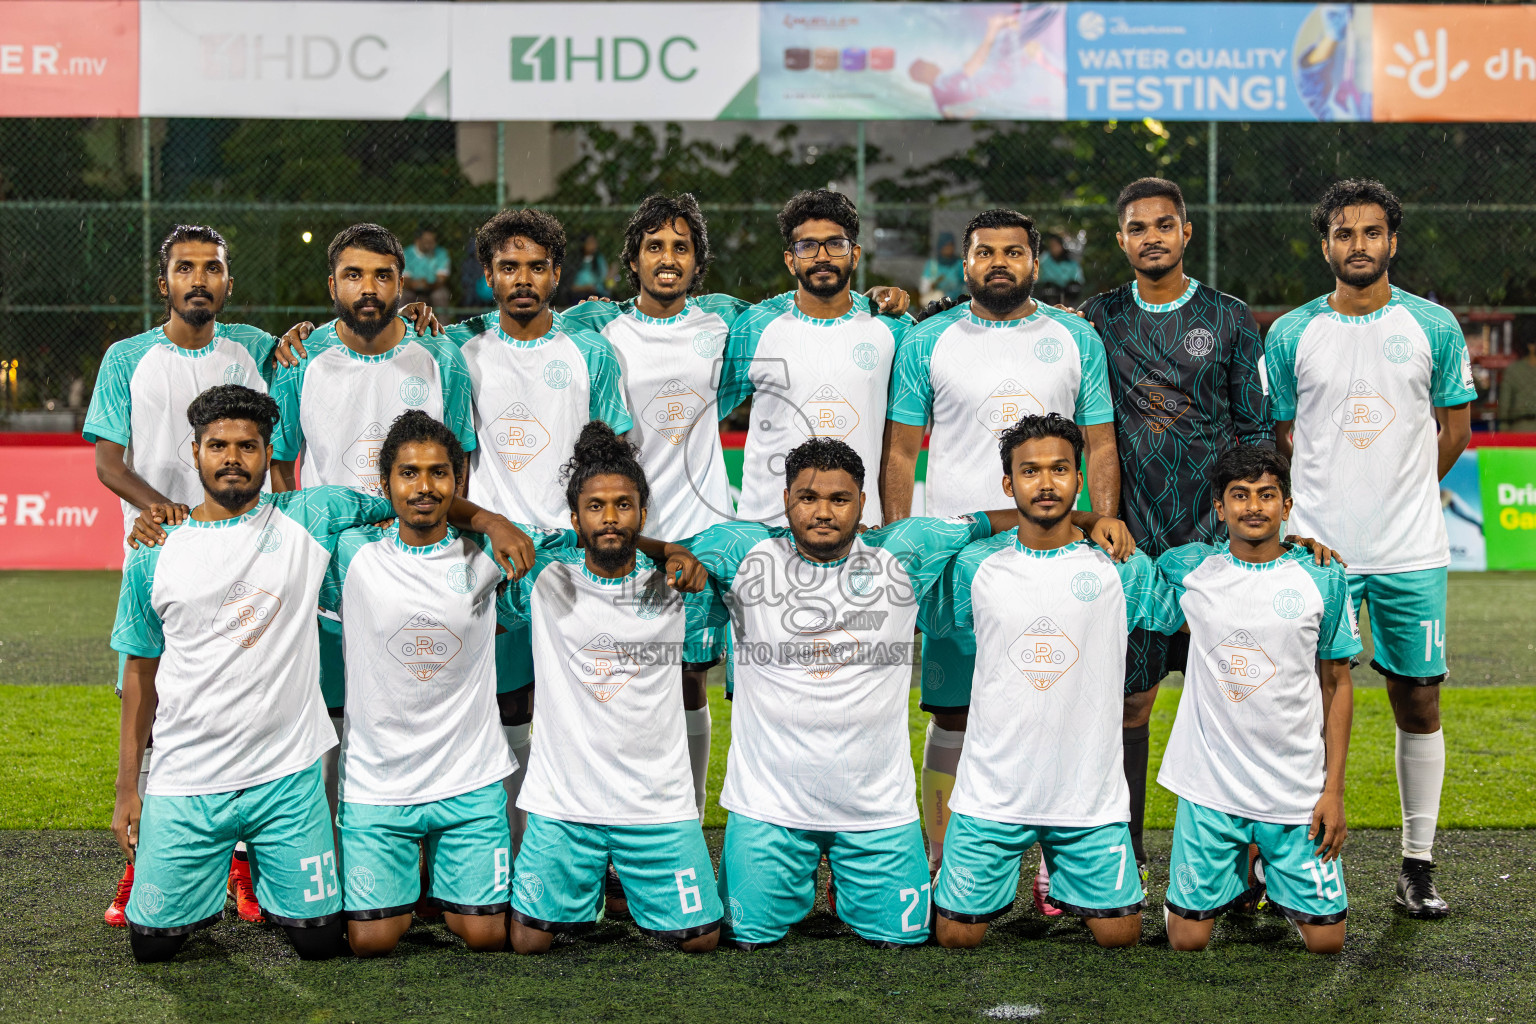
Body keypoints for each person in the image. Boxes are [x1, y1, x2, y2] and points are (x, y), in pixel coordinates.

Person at [109, 385, 534, 963]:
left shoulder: (310, 517)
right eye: (218, 445)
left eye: (249, 446)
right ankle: (200, 889)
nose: (233, 457)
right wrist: (127, 786)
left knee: (321, 943)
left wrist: (490, 520)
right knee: (152, 949)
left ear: (268, 454)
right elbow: (139, 670)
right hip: (187, 774)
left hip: (286, 776)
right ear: (195, 451)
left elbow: (413, 498)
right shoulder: (154, 548)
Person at [681, 436, 1130, 949]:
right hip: (767, 808)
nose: (823, 512)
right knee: (742, 938)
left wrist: (1089, 522)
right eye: (808, 498)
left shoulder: (904, 550)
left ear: (863, 504)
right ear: (786, 499)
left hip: (878, 815)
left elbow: (994, 521)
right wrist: (676, 561)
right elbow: (651, 554)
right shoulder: (739, 551)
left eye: (840, 499)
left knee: (910, 938)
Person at [883, 208, 1118, 886]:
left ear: (1036, 263)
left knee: (1053, 699)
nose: (999, 263)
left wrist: (1101, 520)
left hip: (1054, 553)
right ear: (966, 262)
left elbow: (1099, 443)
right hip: (960, 563)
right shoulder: (928, 340)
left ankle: (1054, 869)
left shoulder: (1076, 337)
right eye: (986, 252)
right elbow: (901, 449)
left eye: (1013, 252)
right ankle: (941, 856)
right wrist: (905, 543)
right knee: (953, 709)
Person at [1266, 178, 1476, 919]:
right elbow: (1284, 438)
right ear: (1326, 245)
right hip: (1319, 555)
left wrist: (1406, 490)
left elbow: (1455, 429)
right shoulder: (1290, 333)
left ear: (1393, 240)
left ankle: (1416, 863)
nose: (1358, 245)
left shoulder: (1434, 326)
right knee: (1304, 703)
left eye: (1372, 232)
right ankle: (1285, 858)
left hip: (1412, 552)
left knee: (1418, 700)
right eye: (1344, 233)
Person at [926, 414, 1181, 951]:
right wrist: (1083, 515)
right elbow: (901, 555)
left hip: (1088, 798)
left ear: (1079, 478)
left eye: (1060, 469)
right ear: (1007, 484)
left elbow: (1214, 582)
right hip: (991, 794)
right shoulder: (974, 566)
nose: (1046, 483)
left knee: (1120, 937)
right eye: (1030, 471)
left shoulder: (1122, 568)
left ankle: (1062, 871)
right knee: (952, 937)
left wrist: (1291, 546)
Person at [1079, 177, 1273, 881]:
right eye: (1137, 227)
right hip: (1132, 549)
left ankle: (1248, 864)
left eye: (1164, 224)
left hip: (1217, 549)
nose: (1152, 237)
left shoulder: (1227, 317)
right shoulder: (1097, 317)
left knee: (1235, 701)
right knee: (1130, 704)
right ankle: (1121, 857)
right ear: (1122, 239)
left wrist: (1246, 533)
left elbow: (1255, 431)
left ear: (1187, 232)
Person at [84, 225, 278, 929]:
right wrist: (156, 509)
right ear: (162, 280)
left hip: (244, 554)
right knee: (159, 706)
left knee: (247, 703)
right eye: (185, 268)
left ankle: (239, 864)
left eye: (213, 268)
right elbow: (108, 462)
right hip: (159, 552)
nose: (199, 279)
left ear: (229, 280)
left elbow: (282, 445)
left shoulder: (255, 349)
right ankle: (144, 860)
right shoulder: (127, 357)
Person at [267, 224, 478, 830]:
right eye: (354, 275)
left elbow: (458, 463)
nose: (368, 288)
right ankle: (329, 856)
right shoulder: (299, 361)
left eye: (382, 275)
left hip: (419, 571)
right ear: (331, 283)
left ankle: (427, 855)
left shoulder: (440, 357)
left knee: (418, 710)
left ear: (401, 283)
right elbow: (283, 464)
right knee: (327, 719)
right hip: (331, 578)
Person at [323, 411, 555, 956]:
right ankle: (411, 883)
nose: (424, 487)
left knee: (486, 936)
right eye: (408, 474)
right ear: (385, 486)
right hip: (379, 784)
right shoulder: (348, 553)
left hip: (469, 779)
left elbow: (590, 538)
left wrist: (494, 523)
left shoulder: (489, 556)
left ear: (459, 482)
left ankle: (445, 882)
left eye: (438, 473)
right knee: (371, 942)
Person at [444, 209, 632, 860]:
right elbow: (453, 466)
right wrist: (472, 536)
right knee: (502, 710)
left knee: (585, 710)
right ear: (489, 275)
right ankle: (513, 849)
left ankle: (593, 851)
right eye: (507, 267)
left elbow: (610, 466)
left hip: (573, 558)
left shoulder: (592, 352)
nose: (521, 278)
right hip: (491, 557)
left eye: (535, 266)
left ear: (556, 273)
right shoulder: (461, 351)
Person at [505, 423, 722, 954]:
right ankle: (588, 885)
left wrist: (674, 551)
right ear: (575, 517)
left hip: (655, 805)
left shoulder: (677, 583)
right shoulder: (546, 576)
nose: (610, 518)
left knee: (701, 942)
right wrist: (665, 544)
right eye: (596, 507)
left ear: (642, 514)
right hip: (564, 803)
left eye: (623, 505)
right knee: (528, 943)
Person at [1157, 445, 1358, 954]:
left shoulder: (1325, 576)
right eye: (1239, 496)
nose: (1254, 507)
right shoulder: (1189, 569)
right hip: (1210, 789)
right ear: (1220, 508)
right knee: (1185, 941)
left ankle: (1263, 866)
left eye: (1267, 495)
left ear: (1287, 506)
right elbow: (1130, 562)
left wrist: (1332, 792)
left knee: (1327, 944)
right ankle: (1238, 864)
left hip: (1294, 792)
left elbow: (1337, 684)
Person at [722, 189, 909, 530]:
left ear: (855, 254)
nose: (821, 256)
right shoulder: (755, 326)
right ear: (790, 259)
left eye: (835, 244)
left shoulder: (892, 328)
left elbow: (905, 435)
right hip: (767, 530)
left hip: (859, 531)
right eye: (807, 246)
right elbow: (707, 415)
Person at [1497, 331, 1536, 433]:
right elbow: (1504, 404)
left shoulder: (1513, 369)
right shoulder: (1514, 370)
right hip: (1521, 426)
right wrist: (1504, 429)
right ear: (1531, 346)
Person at [403, 228, 452, 309]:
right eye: (427, 240)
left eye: (433, 240)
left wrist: (428, 285)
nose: (431, 243)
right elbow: (405, 280)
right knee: (403, 295)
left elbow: (441, 279)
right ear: (417, 240)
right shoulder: (406, 254)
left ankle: (444, 322)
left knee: (441, 295)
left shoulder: (441, 253)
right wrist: (415, 284)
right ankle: (401, 321)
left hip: (433, 288)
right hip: (410, 289)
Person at [1035, 233, 1085, 307]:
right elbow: (1037, 276)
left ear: (1062, 246)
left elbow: (1079, 279)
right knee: (1050, 291)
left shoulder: (1072, 261)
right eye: (1051, 246)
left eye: (1055, 245)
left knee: (1074, 289)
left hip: (1068, 292)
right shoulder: (1045, 259)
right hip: (1050, 292)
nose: (1053, 248)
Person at [918, 233, 963, 306]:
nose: (948, 248)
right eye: (945, 245)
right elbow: (924, 288)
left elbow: (967, 283)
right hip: (938, 306)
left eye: (950, 245)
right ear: (940, 246)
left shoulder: (959, 263)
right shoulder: (932, 264)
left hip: (957, 304)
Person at [565, 233, 611, 303]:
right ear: (583, 244)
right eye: (590, 242)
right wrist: (584, 288)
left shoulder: (598, 259)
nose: (594, 244)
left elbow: (604, 278)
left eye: (594, 242)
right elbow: (569, 284)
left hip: (597, 294)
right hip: (577, 295)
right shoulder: (575, 260)